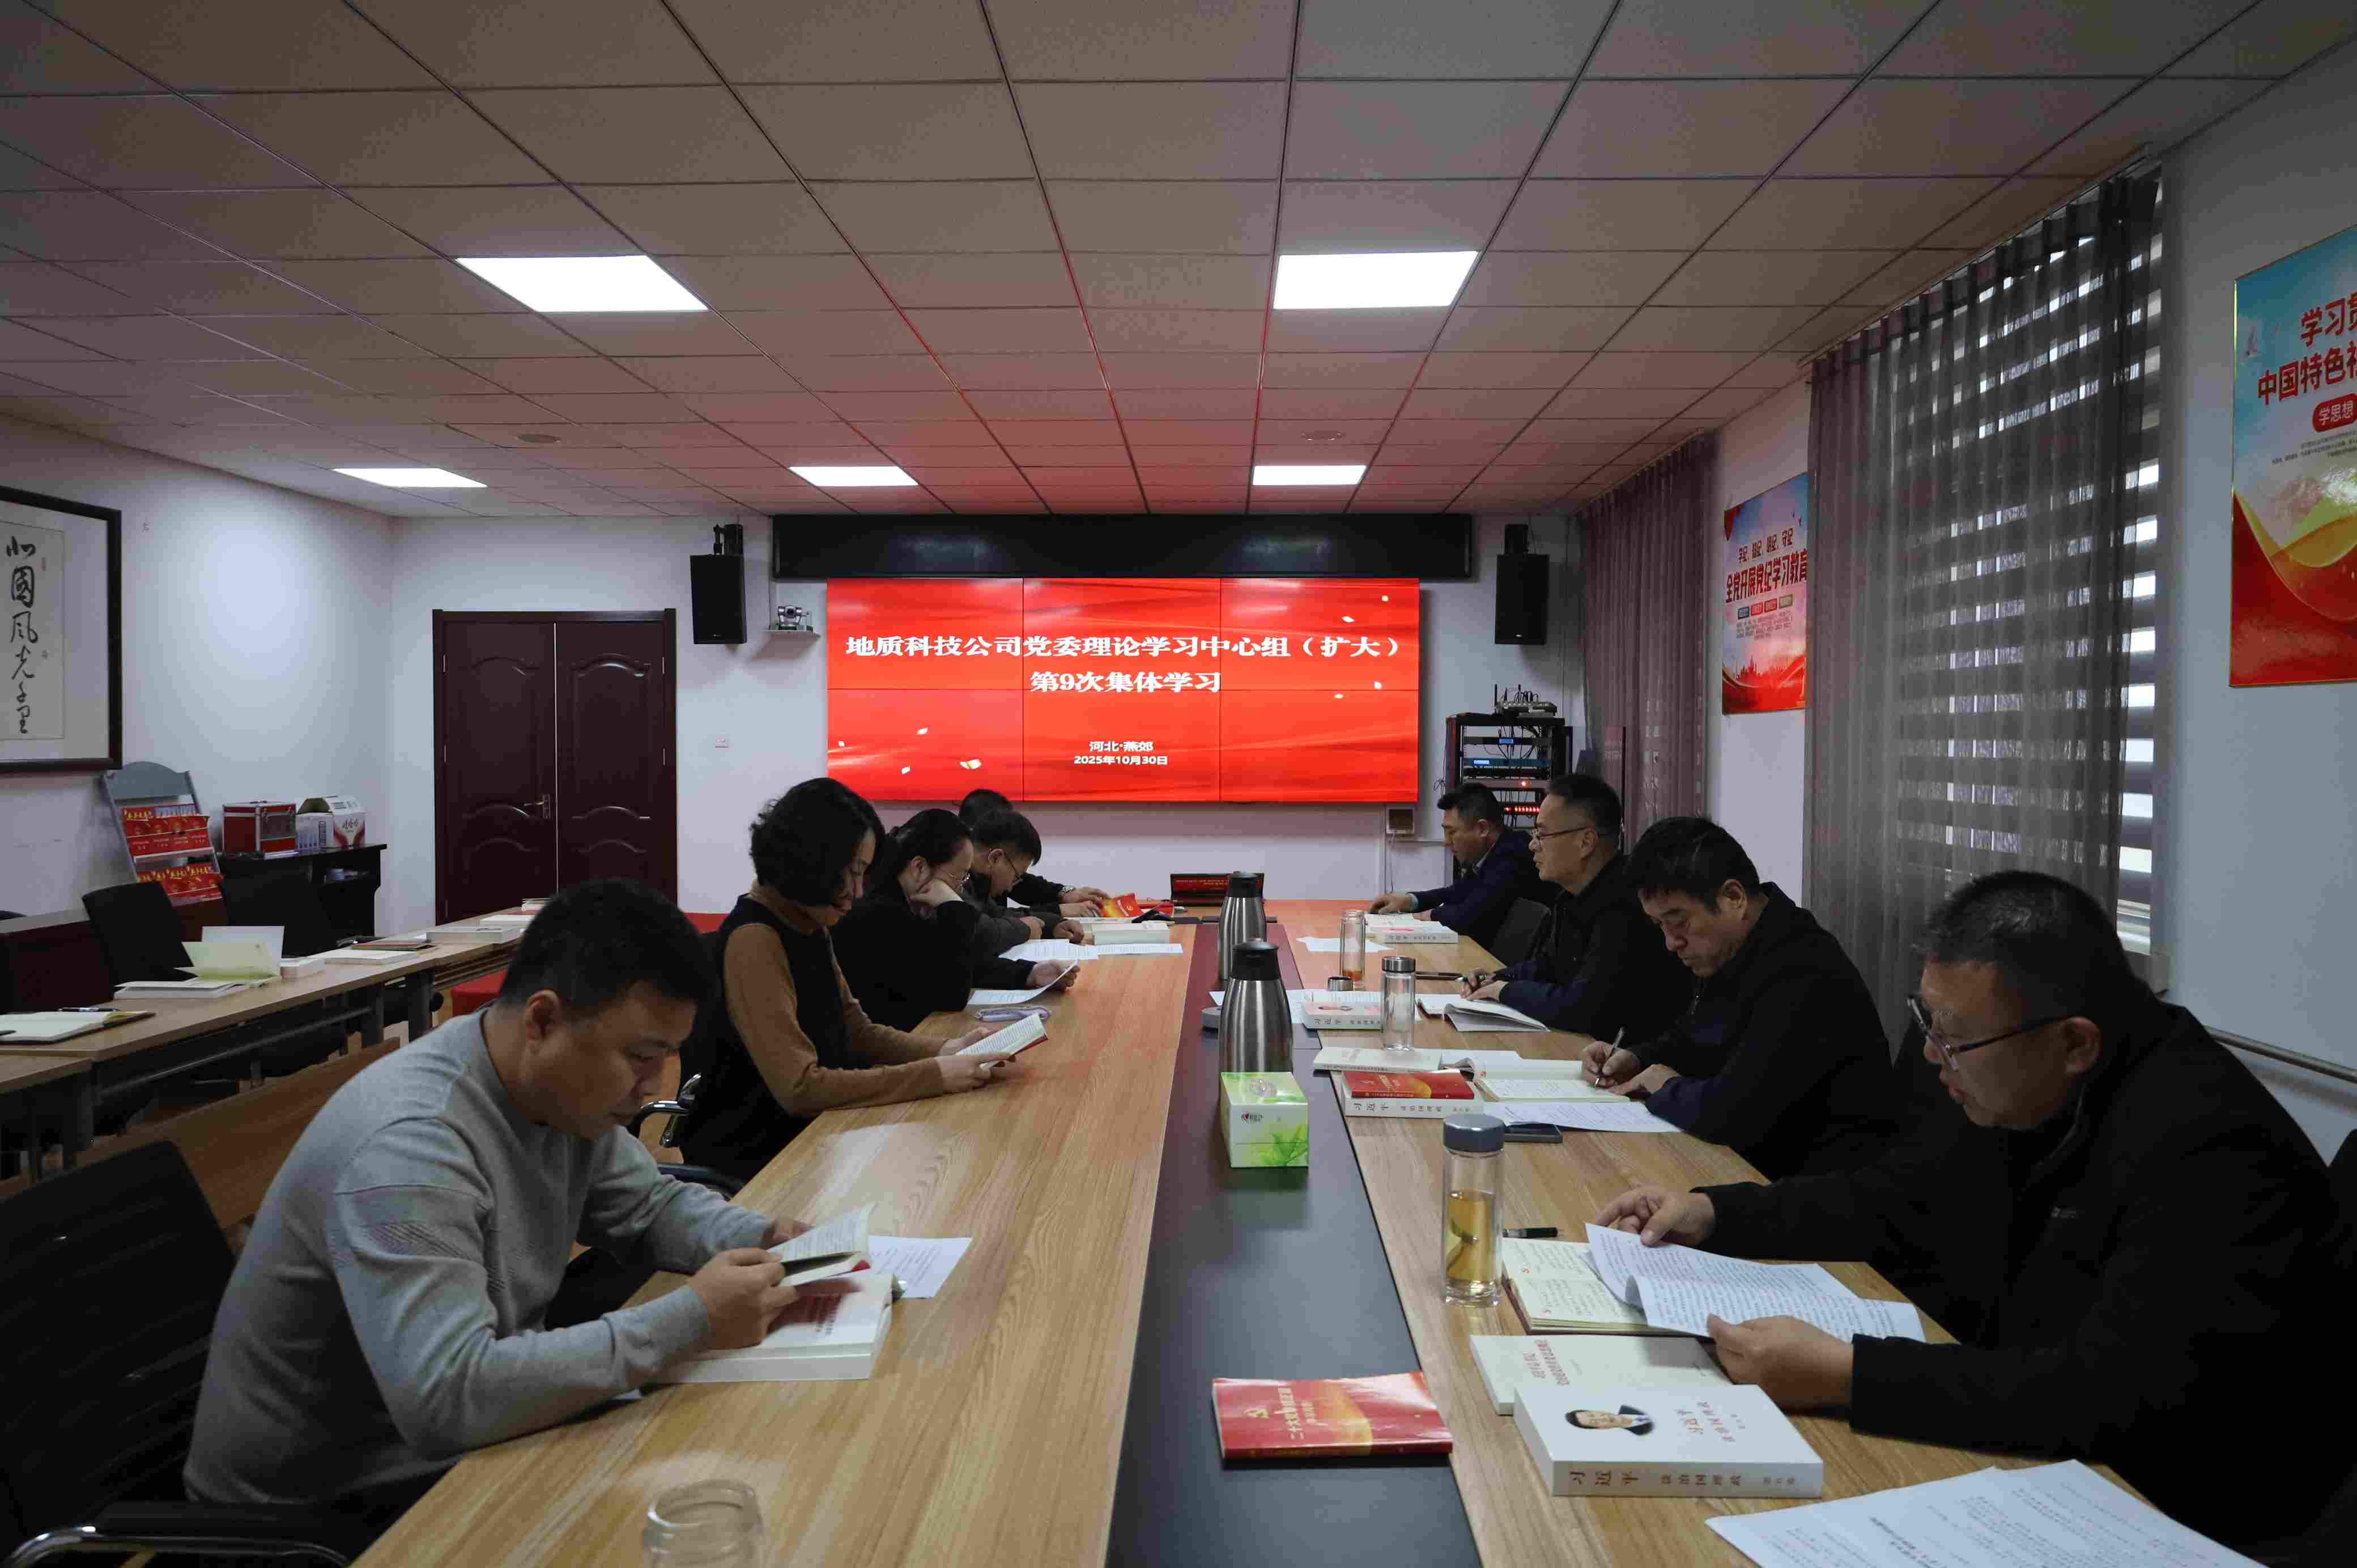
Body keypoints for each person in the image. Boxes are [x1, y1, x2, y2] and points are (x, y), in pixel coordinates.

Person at [1594, 871, 2356, 1549]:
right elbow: (1895, 1194)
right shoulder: (2031, 1076)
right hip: (2043, 1450)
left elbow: (2101, 1393)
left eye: (1954, 1039)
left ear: (2074, 1042)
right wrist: (1716, 1213)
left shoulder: (2205, 1142)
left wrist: (1849, 1374)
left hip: (2180, 1508)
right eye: (1927, 1023)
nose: (1933, 1058)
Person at [186, 880, 806, 1519]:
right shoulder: (410, 1146)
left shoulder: (558, 1091)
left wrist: (768, 1239)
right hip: (316, 1509)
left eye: (666, 1057)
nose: (651, 1087)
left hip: (447, 1442)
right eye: (641, 1057)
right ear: (542, 1021)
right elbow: (446, 1397)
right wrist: (693, 1319)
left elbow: (648, 1207)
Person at [678, 780, 1009, 1182]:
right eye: (850, 874)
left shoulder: (809, 924)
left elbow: (858, 1032)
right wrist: (935, 1074)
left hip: (816, 1135)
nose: (858, 890)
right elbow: (800, 1088)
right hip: (763, 1157)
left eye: (863, 874)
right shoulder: (755, 939)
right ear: (808, 862)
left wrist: (947, 1049)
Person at [1584, 816, 1895, 1178]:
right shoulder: (1735, 948)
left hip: (1811, 1184)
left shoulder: (1803, 969)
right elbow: (1696, 1035)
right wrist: (1638, 1058)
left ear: (1733, 898)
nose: (1670, 943)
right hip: (1752, 1165)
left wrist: (1665, 1086)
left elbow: (1731, 1113)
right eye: (1660, 926)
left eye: (1679, 922)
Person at [1459, 773, 1688, 1043]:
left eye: (1542, 834)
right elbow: (1548, 966)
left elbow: (1582, 1008)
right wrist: (1496, 978)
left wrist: (1503, 991)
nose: (1532, 845)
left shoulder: (1624, 904)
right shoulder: (1571, 896)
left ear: (1586, 842)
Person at [835, 808, 1078, 1030]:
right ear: (919, 868)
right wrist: (953, 906)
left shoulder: (908, 899)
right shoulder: (878, 912)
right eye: (959, 877)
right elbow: (951, 992)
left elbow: (953, 961)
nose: (961, 888)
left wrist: (1029, 973)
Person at [1369, 782, 1545, 950]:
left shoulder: (1512, 856)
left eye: (1452, 832)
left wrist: (1424, 916)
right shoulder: (1490, 854)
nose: (1446, 842)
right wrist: (1409, 901)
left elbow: (1469, 917)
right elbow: (1458, 892)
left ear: (1482, 829)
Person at [962, 808, 1088, 962]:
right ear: (995, 858)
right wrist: (1025, 929)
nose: (1010, 888)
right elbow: (983, 934)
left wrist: (1053, 925)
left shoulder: (977, 884)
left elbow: (1000, 914)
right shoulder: (956, 883)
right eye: (1016, 877)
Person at [958, 787, 1109, 913]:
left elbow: (1024, 886)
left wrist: (1063, 893)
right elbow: (992, 922)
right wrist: (1058, 911)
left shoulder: (987, 873)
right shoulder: (957, 880)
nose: (1010, 886)